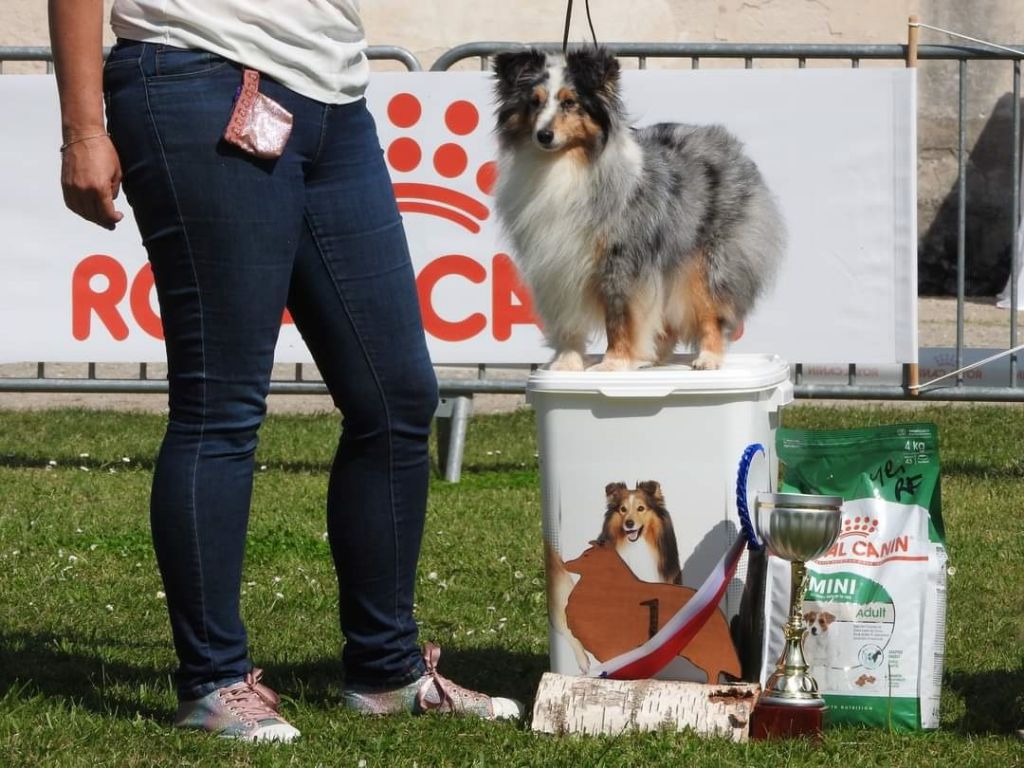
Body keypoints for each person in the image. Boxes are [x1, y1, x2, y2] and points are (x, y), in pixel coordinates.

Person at [47, 0, 521, 743]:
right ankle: (212, 681)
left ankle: (386, 673)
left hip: (331, 92)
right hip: (197, 74)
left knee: (396, 396)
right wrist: (83, 129)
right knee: (221, 403)